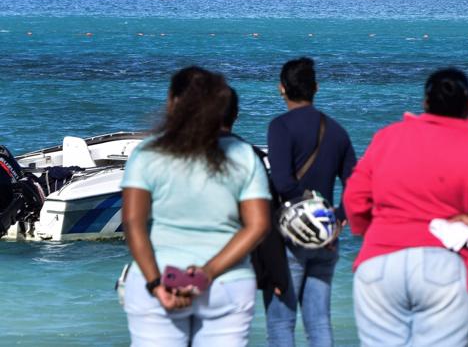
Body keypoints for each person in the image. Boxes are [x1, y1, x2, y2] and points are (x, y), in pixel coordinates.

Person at [343, 68, 468, 346]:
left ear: (425, 103)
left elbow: (354, 198)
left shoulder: (388, 137)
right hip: (443, 264)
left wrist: (373, 233)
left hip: (379, 264)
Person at [120, 66, 271, 345]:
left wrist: (155, 284)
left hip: (161, 277)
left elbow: (132, 222)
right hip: (226, 282)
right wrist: (206, 273)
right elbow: (258, 225)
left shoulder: (147, 152)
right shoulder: (243, 155)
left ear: (172, 102)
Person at [265, 57, 358, 347]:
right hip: (326, 239)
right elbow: (356, 184)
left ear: (282, 89)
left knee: (282, 322)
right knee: (318, 323)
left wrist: (306, 217)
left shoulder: (280, 127)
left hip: (290, 239)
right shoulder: (337, 131)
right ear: (315, 88)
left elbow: (282, 182)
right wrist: (336, 219)